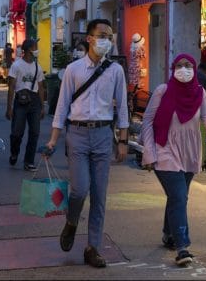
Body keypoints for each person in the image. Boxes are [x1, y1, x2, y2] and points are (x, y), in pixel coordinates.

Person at [46, 19, 129, 268]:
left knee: (99, 196)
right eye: (102, 35)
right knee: (80, 189)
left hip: (104, 135)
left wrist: (123, 140)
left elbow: (122, 107)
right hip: (78, 135)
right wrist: (52, 140)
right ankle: (71, 222)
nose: (107, 39)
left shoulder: (116, 71)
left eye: (110, 35)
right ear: (90, 39)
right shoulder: (73, 70)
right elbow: (61, 107)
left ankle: (93, 248)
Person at [140, 53, 206, 266]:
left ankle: (168, 233)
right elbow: (147, 121)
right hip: (165, 150)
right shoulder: (163, 91)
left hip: (190, 152)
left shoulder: (199, 93)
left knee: (178, 197)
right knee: (179, 196)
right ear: (173, 69)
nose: (184, 69)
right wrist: (149, 152)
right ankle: (182, 247)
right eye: (179, 65)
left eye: (188, 65)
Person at [7, 39, 46, 172]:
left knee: (34, 132)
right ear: (29, 49)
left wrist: (42, 106)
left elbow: (41, 88)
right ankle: (14, 152)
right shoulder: (16, 66)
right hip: (20, 100)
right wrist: (9, 107)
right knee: (17, 132)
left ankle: (29, 161)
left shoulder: (37, 67)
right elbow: (11, 87)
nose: (37, 49)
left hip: (34, 101)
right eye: (36, 47)